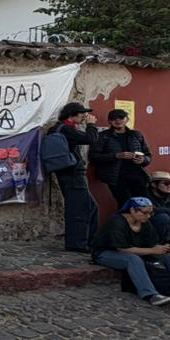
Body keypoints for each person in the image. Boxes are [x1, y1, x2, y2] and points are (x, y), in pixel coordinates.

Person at [47, 102, 99, 252]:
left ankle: (89, 241)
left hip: (67, 172)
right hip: (72, 173)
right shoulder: (66, 129)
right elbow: (90, 139)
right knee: (78, 209)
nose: (84, 117)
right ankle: (77, 243)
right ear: (72, 114)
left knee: (91, 207)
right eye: (82, 114)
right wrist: (91, 125)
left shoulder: (57, 128)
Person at [90, 109, 152, 208]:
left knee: (142, 205)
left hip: (138, 176)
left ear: (127, 119)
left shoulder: (136, 135)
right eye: (113, 118)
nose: (117, 120)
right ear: (109, 121)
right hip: (116, 178)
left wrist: (143, 160)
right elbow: (94, 156)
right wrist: (116, 156)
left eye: (121, 117)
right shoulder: (103, 136)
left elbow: (148, 155)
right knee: (125, 205)